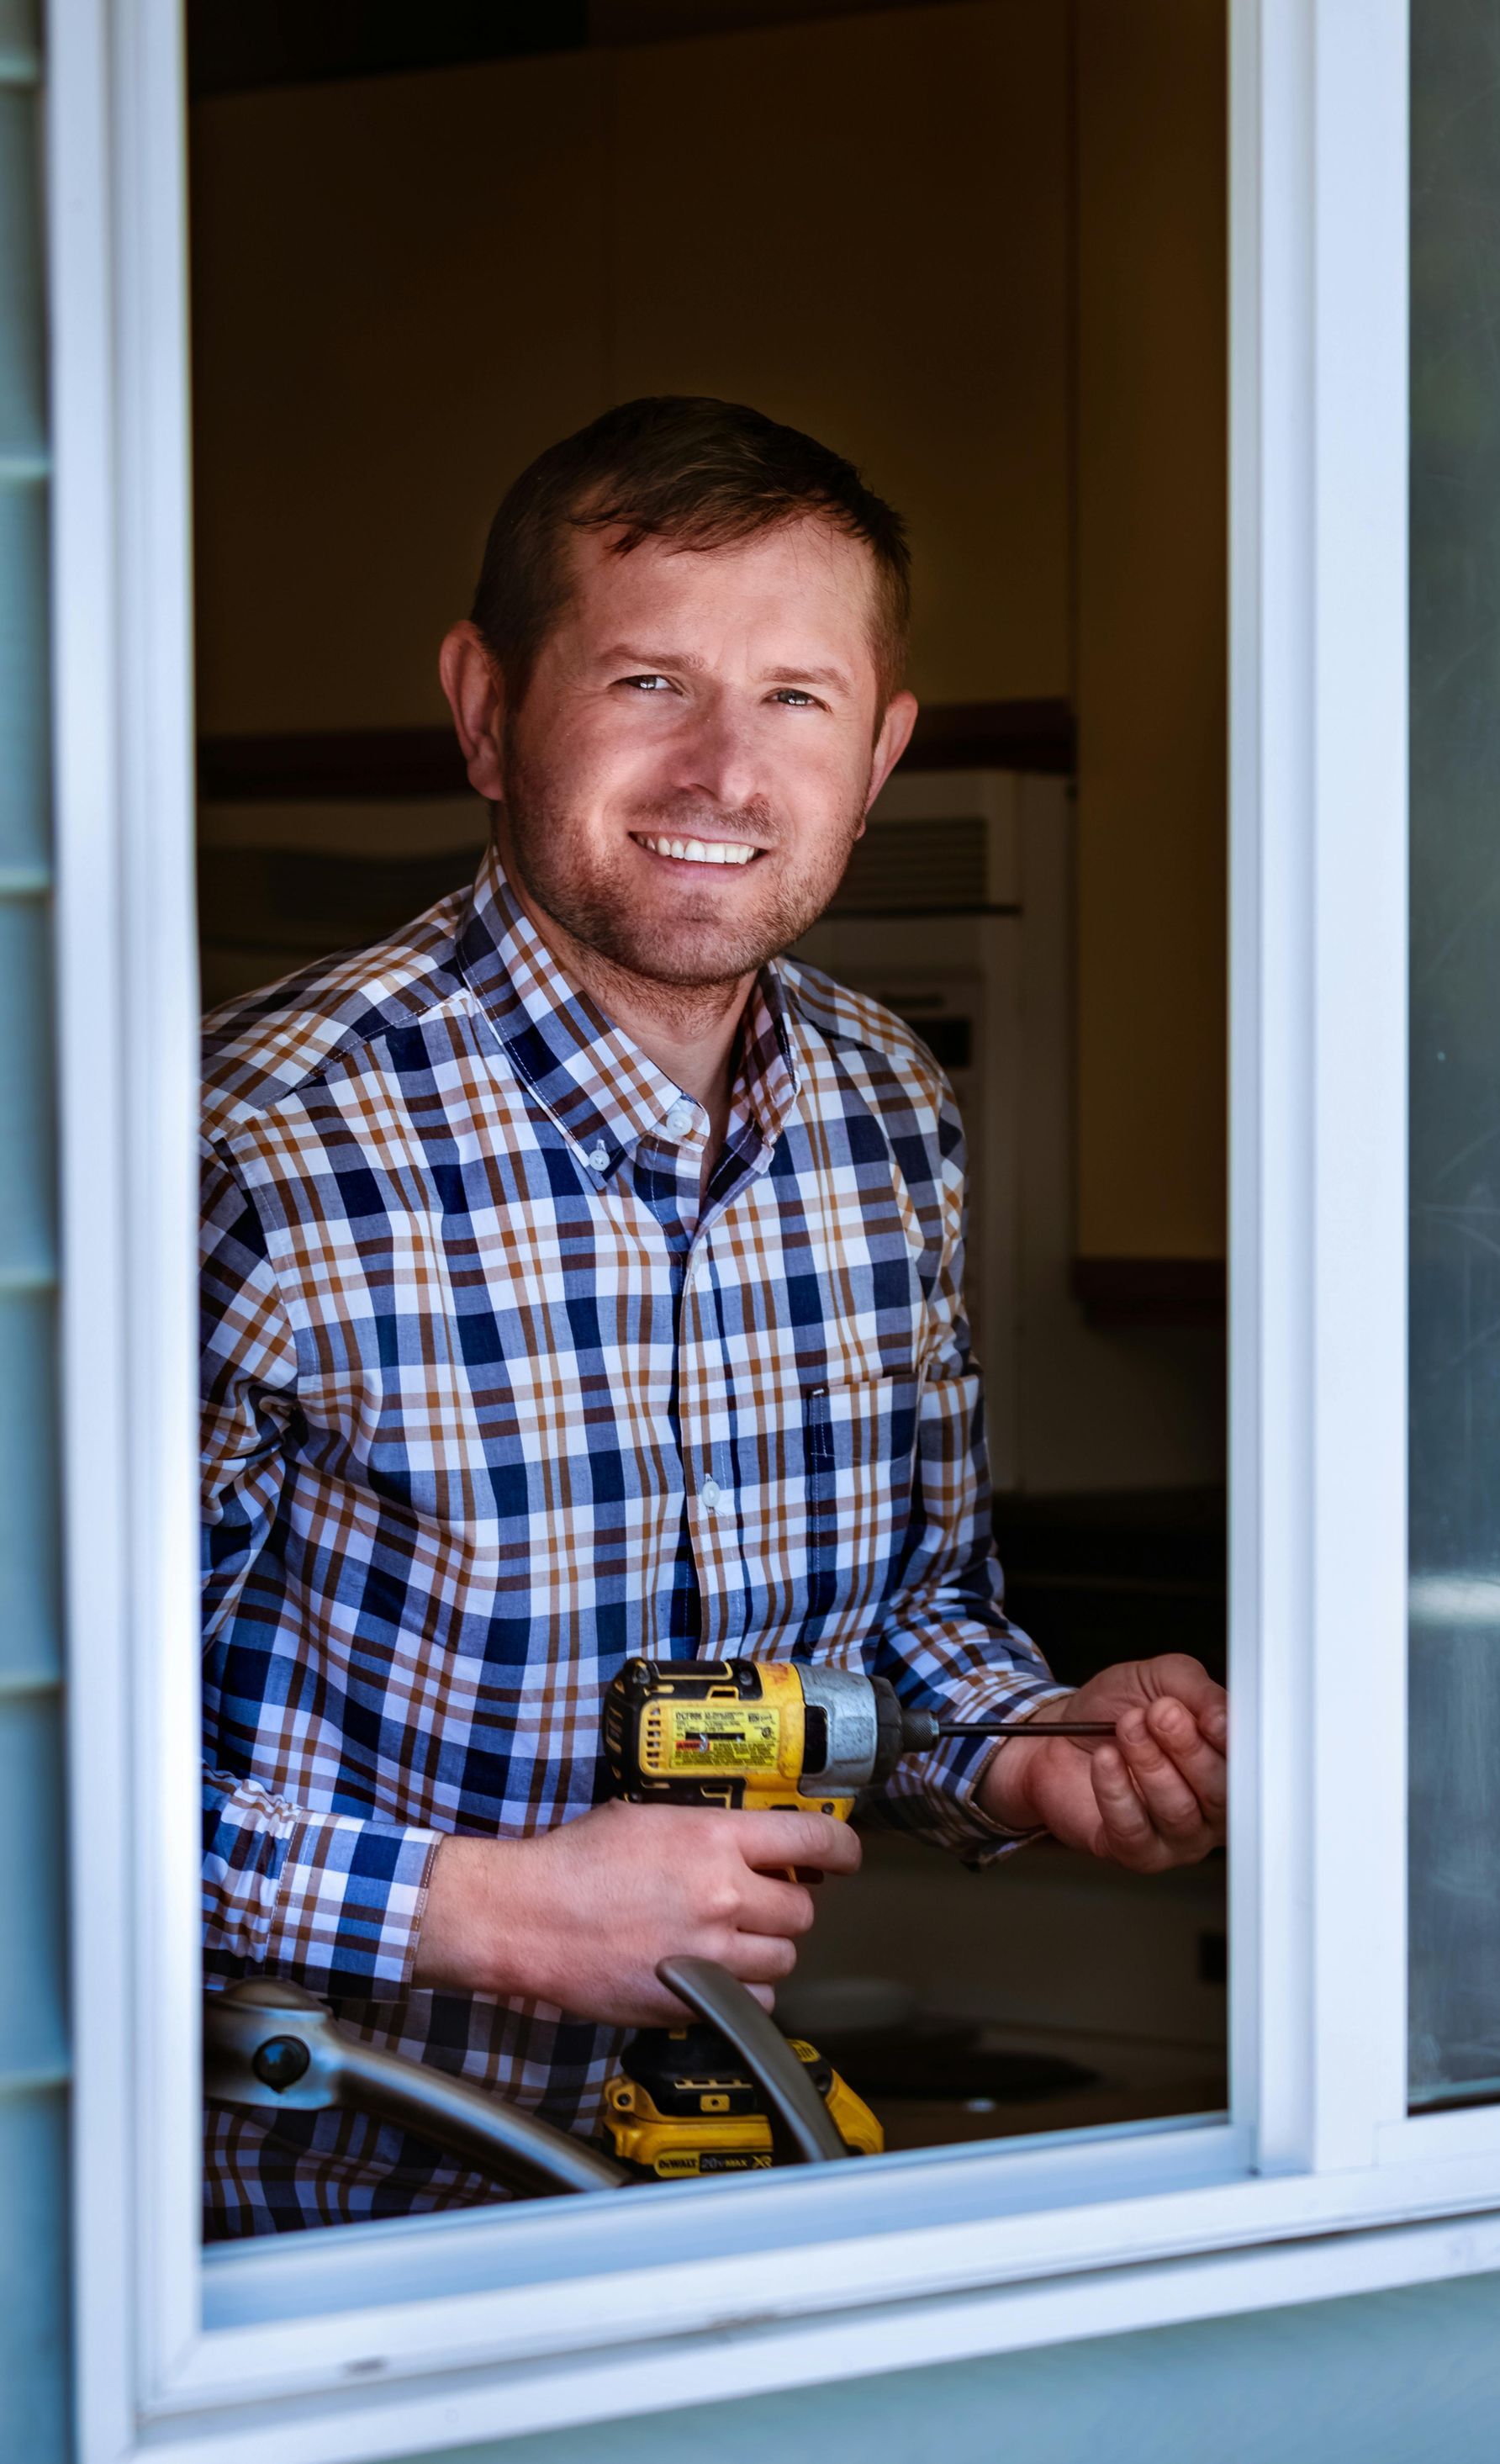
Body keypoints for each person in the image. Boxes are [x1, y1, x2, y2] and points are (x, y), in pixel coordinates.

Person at [200, 396, 1228, 2236]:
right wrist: (481, 1908)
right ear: (486, 706)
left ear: (883, 744)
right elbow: (40, 1762)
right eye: (651, 681)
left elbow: (899, 1625)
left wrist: (1046, 1745)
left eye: (798, 698)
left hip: (706, 2229)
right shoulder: (254, 1150)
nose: (726, 773)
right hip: (281, 2262)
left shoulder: (881, 1108)